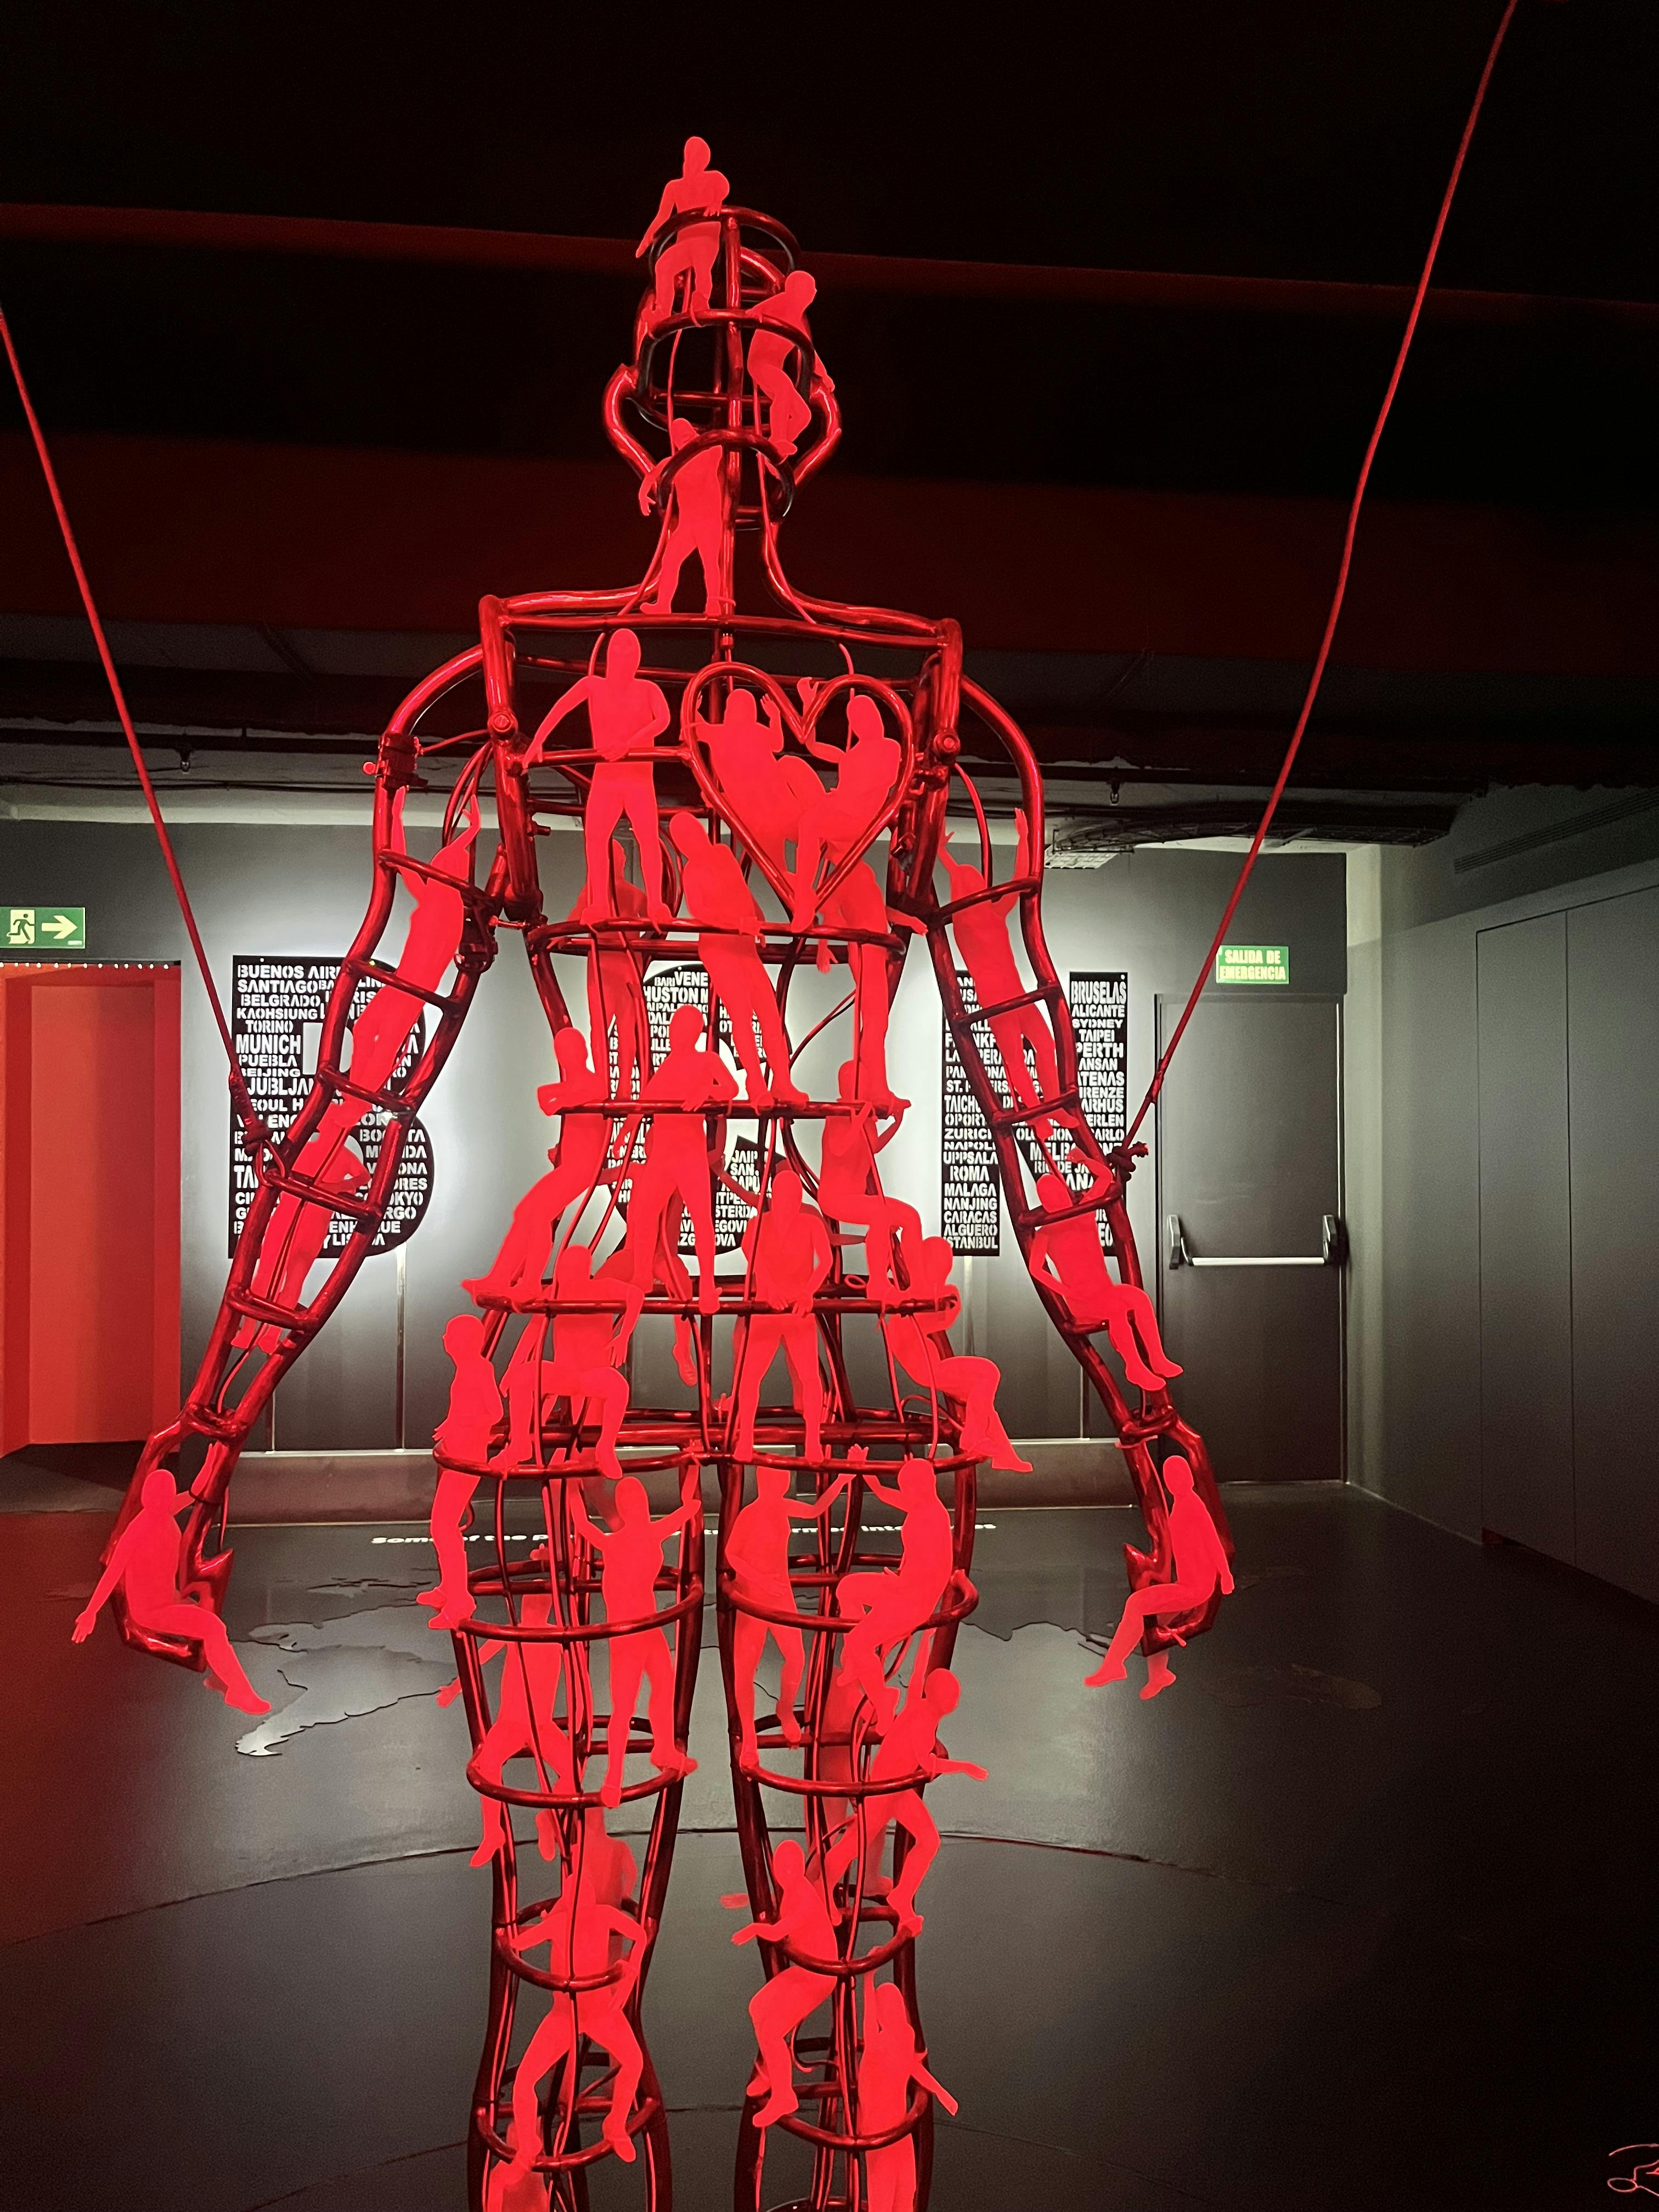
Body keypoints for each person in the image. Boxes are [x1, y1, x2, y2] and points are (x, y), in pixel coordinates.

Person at [504, 1810, 644, 2170]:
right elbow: (520, 1942)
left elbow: (640, 1934)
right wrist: (511, 1931)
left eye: (585, 1895)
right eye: (574, 1897)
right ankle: (529, 2144)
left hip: (599, 2011)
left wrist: (631, 1966)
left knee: (634, 2061)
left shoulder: (603, 1916)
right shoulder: (560, 1923)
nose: (581, 1902)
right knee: (525, 2081)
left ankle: (615, 2125)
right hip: (564, 2016)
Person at [72, 1469, 269, 1716]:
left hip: (170, 1598)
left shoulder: (164, 1512)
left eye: (167, 1495)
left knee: (212, 1624)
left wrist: (212, 1470)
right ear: (148, 1497)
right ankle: (241, 1693)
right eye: (160, 1496)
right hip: (152, 1610)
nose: (164, 1501)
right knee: (213, 1628)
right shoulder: (139, 1529)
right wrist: (91, 1612)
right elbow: (113, 1572)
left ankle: (222, 1677)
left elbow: (193, 1494)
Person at [819, 1666, 984, 1934]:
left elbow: (917, 1678)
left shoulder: (923, 1709)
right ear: (937, 1696)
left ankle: (902, 1896)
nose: (955, 1701)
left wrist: (925, 1648)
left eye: (956, 1695)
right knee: (852, 1846)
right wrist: (965, 1767)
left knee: (929, 1840)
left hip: (899, 1792)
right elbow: (926, 1762)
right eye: (951, 1695)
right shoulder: (921, 1718)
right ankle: (823, 1892)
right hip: (884, 1792)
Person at [568, 1476, 699, 1806]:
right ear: (625, 1509)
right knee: (624, 1706)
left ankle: (664, 1748)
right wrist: (570, 1485)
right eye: (633, 1502)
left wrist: (692, 1471)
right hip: (626, 1631)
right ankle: (613, 1778)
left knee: (665, 1686)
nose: (639, 1506)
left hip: (649, 1626)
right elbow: (582, 1524)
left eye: (640, 1500)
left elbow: (690, 1508)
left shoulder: (650, 1533)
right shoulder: (618, 1541)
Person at [528, 630, 672, 926]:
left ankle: (657, 903)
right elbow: (561, 708)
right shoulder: (593, 685)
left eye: (630, 648)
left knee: (648, 838)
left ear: (638, 657)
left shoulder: (648, 689)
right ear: (609, 654)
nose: (625, 654)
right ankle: (599, 904)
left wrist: (629, 745)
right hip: (607, 778)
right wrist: (537, 741)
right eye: (619, 647)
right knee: (595, 839)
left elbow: (664, 719)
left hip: (638, 777)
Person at [935, 811, 1068, 1126]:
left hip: (1015, 993)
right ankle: (1037, 1117)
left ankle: (1051, 1106)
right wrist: (1023, 838)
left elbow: (1016, 880)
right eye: (976, 883)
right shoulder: (972, 925)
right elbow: (980, 879)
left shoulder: (987, 916)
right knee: (1015, 1058)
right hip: (997, 999)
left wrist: (1024, 838)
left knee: (1044, 1044)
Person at [668, 811, 805, 1108]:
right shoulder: (692, 871)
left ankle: (782, 1082)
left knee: (770, 1015)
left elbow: (741, 890)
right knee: (742, 1016)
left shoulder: (722, 854)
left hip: (743, 945)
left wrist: (758, 918)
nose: (692, 840)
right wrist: (738, 923)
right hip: (720, 949)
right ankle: (756, 1084)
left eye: (692, 832)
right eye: (684, 838)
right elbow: (700, 912)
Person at [464, 1029, 611, 1302]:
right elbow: (544, 1097)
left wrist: (562, 1097)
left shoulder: (594, 1084)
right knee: (524, 1213)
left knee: (541, 1215)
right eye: (561, 1052)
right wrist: (562, 1097)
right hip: (569, 1166)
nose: (566, 1057)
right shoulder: (576, 1086)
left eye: (570, 1050)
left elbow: (554, 1103)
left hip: (583, 1168)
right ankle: (499, 1278)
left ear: (583, 1052)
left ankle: (530, 1282)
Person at [724, 1457, 853, 1765]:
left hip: (780, 1596)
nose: (780, 1487)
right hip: (753, 1600)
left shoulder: (782, 1508)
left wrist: (841, 1480)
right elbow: (732, 1555)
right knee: (745, 1670)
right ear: (763, 1482)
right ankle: (749, 1736)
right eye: (776, 1481)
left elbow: (815, 1510)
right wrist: (760, 1581)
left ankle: (785, 1707)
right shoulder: (750, 1514)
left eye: (784, 1482)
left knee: (797, 1658)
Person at [617, 1001, 737, 1316]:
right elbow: (644, 1103)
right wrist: (624, 1133)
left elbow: (731, 1088)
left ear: (694, 1032)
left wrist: (707, 1092)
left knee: (701, 1219)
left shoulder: (707, 1060)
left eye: (681, 1028)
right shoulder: (668, 1065)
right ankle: (642, 1274)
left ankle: (708, 1285)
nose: (674, 1033)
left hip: (688, 1154)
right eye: (673, 1028)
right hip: (663, 1155)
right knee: (644, 1212)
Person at [1084, 1454, 1232, 1696]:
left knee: (1136, 1604)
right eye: (1170, 1477)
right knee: (1155, 1624)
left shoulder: (1193, 1505)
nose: (1174, 1482)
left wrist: (1226, 1575)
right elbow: (1152, 1489)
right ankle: (1159, 1674)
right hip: (1188, 1583)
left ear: (1189, 1477)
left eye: (1179, 1476)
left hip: (1194, 1587)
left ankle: (1113, 1666)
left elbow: (1213, 1541)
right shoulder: (1181, 1503)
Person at [880, 1236, 1030, 1472]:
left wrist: (947, 1304)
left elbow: (941, 1320)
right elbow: (923, 1325)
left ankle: (1004, 1455)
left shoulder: (925, 1297)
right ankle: (973, 1435)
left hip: (932, 1365)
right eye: (938, 1266)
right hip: (928, 1369)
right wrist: (942, 1303)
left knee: (981, 1400)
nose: (942, 1272)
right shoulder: (909, 1301)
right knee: (988, 1372)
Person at [1026, 1172, 1181, 1392]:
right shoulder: (1046, 1233)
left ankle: (1157, 1359)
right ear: (1044, 1202)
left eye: (1058, 1193)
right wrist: (1065, 1291)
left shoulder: (1085, 1214)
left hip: (1104, 1290)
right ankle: (1135, 1367)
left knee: (1139, 1298)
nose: (1056, 1200)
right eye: (1049, 1197)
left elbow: (1105, 1178)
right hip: (1081, 1300)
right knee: (1116, 1310)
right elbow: (1036, 1269)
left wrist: (1084, 1159)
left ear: (1066, 1193)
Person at [724, 1838, 840, 2129]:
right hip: (805, 1970)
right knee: (757, 2007)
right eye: (780, 1867)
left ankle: (784, 2095)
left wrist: (753, 1929)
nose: (784, 1873)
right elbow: (777, 1908)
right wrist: (746, 1899)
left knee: (772, 2029)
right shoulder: (790, 1891)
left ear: (800, 1868)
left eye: (790, 1868)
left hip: (819, 1975)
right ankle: (770, 2072)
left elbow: (778, 1932)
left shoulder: (804, 1896)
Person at [832, 1457, 956, 1730]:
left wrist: (898, 1584)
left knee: (859, 1641)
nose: (905, 1495)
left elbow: (930, 1572)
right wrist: (870, 1476)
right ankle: (859, 1661)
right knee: (847, 1589)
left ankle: (882, 1700)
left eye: (908, 1489)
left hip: (915, 1600)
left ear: (922, 1487)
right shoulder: (922, 1505)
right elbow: (888, 1496)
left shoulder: (933, 1519)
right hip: (904, 1587)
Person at [505, 1244, 645, 1478]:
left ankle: (606, 1447)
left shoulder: (603, 1287)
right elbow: (533, 1331)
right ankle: (520, 1444)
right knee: (521, 1378)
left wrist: (624, 1336)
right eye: (565, 1268)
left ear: (586, 1269)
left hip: (594, 1374)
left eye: (575, 1268)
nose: (568, 1274)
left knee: (619, 1387)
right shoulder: (555, 1293)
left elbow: (636, 1295)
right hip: (564, 1374)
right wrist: (513, 1368)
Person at [460, 1592, 574, 1866]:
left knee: (573, 1774)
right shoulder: (513, 1633)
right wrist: (454, 1689)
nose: (530, 1611)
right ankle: (493, 1833)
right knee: (487, 1766)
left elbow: (577, 1676)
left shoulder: (558, 1637)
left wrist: (581, 1710)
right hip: (510, 1723)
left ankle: (549, 1817)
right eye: (528, 1605)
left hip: (542, 1726)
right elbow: (478, 1659)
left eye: (537, 1606)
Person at [728, 1168, 833, 1463]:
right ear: (774, 1197)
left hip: (799, 1311)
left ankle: (813, 1439)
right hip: (767, 1310)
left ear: (799, 1199)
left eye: (793, 1196)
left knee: (810, 1377)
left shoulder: (811, 1224)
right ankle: (746, 1438)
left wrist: (808, 1292)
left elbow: (826, 1261)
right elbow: (753, 1256)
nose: (787, 1202)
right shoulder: (758, 1224)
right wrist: (770, 1288)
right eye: (782, 1196)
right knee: (750, 1377)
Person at [812, 856, 924, 1114]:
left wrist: (909, 921)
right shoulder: (840, 877)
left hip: (874, 948)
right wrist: (823, 945)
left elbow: (878, 909)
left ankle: (877, 1088)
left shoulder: (860, 869)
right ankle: (876, 1089)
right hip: (865, 950)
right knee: (875, 1024)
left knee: (878, 1024)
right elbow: (829, 912)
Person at [419, 1313, 505, 1628]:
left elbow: (494, 1413)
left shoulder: (480, 1369)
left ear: (465, 1342)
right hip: (457, 1454)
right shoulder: (466, 1368)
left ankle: (460, 1601)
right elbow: (463, 1408)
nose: (444, 1339)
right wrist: (450, 1424)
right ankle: (450, 1588)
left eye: (450, 1334)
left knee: (443, 1527)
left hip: (467, 1460)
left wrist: (460, 1424)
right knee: (445, 1528)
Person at [791, 692, 901, 930]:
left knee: (810, 822)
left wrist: (845, 795)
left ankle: (803, 893)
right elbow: (813, 746)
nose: (867, 723)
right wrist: (811, 706)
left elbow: (886, 778)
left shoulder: (890, 747)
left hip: (857, 821)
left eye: (870, 715)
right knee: (792, 771)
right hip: (839, 811)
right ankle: (803, 893)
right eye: (858, 719)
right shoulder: (852, 755)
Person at [813, 1064, 920, 1300]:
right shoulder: (838, 1114)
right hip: (836, 1198)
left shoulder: (865, 1115)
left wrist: (896, 1123)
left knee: (911, 1217)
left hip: (857, 1197)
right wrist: (860, 1118)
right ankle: (878, 1283)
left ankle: (917, 1282)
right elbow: (839, 1149)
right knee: (880, 1215)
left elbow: (874, 1147)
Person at [695, 682, 820, 882]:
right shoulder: (742, 731)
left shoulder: (722, 733)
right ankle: (798, 885)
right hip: (767, 810)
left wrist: (694, 711)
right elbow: (778, 744)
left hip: (766, 811)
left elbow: (698, 730)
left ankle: (798, 883)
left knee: (782, 864)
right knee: (786, 859)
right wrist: (774, 717)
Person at [856, 1980, 958, 2212]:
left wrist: (940, 2092)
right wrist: (868, 1981)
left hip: (900, 2128)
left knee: (906, 2190)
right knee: (882, 2198)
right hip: (880, 2131)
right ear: (880, 2013)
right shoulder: (877, 2046)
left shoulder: (905, 2035)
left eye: (896, 2005)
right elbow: (869, 2030)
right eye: (886, 2007)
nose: (893, 2011)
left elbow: (912, 2066)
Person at [636, 136, 729, 330]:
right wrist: (648, 237)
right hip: (685, 242)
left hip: (705, 238)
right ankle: (662, 311)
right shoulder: (674, 187)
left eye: (698, 155)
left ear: (705, 159)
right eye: (690, 154)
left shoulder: (713, 178)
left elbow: (723, 187)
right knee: (663, 265)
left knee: (702, 265)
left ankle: (701, 299)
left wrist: (716, 202)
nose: (693, 160)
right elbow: (662, 216)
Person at [574, 873, 650, 1098]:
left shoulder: (629, 893)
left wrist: (642, 943)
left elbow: (654, 921)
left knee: (615, 1026)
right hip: (613, 962)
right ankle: (608, 1084)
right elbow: (577, 915)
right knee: (608, 1026)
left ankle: (617, 1085)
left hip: (619, 962)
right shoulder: (597, 891)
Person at [644, 417, 726, 616]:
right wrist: (642, 495)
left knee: (710, 562)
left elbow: (718, 442)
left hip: (708, 521)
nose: (684, 437)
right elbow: (652, 475)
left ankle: (713, 602)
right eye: (679, 435)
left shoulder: (710, 453)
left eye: (687, 432)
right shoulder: (673, 463)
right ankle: (663, 604)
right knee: (670, 560)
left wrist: (698, 442)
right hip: (687, 524)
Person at [747, 271, 818, 458]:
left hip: (774, 369)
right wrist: (756, 313)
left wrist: (824, 376)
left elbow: (810, 353)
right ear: (794, 290)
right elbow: (760, 309)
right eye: (808, 288)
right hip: (760, 364)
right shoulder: (783, 302)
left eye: (812, 290)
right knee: (784, 387)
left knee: (804, 415)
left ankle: (775, 451)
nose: (813, 293)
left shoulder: (797, 323)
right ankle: (777, 440)